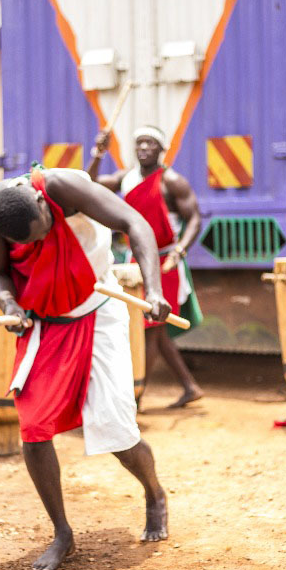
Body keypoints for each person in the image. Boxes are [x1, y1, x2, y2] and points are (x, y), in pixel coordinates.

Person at [0, 165, 171, 570]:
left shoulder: (64, 187)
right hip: (44, 322)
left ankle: (154, 493)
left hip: (98, 311)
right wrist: (9, 304)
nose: (43, 242)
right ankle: (62, 533)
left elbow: (134, 222)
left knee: (117, 431)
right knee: (33, 428)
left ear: (42, 202)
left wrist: (154, 289)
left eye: (45, 230)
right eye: (30, 242)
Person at [87, 125, 204, 408]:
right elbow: (88, 187)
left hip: (164, 263)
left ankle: (136, 397)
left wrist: (179, 251)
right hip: (134, 261)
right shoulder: (126, 178)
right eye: (139, 143)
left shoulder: (172, 181)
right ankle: (189, 386)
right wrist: (98, 154)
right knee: (155, 330)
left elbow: (195, 219)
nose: (143, 148)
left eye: (150, 143)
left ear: (161, 149)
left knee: (151, 328)